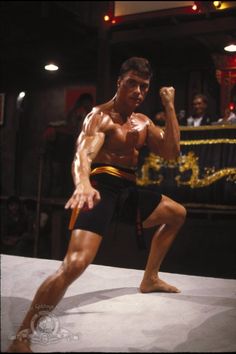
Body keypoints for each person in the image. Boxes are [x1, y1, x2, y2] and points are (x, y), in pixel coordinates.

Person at [7, 57, 186, 352]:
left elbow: (171, 152)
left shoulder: (143, 122)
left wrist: (168, 107)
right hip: (100, 190)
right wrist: (84, 184)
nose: (138, 91)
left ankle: (150, 278)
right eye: (132, 83)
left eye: (144, 87)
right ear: (119, 82)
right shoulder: (98, 116)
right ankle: (22, 336)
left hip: (128, 192)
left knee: (177, 214)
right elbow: (83, 155)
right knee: (74, 264)